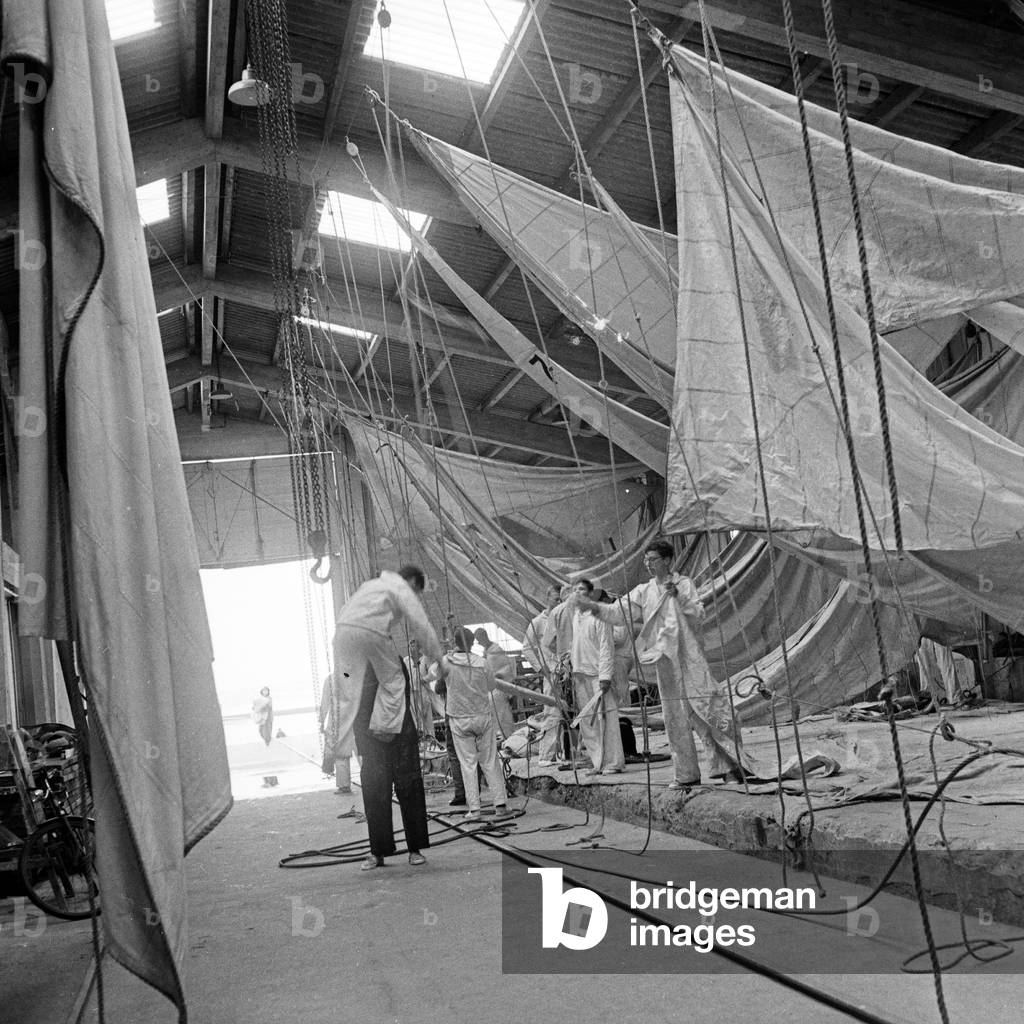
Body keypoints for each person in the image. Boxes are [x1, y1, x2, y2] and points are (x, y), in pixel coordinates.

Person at [574, 540, 752, 790]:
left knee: (707, 709)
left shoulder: (683, 584)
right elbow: (618, 613)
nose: (648, 564)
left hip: (689, 658)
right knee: (674, 718)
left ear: (667, 560)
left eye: (653, 559)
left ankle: (730, 766)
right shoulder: (643, 591)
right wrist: (594, 607)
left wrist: (679, 598)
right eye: (646, 560)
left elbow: (698, 614)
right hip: (665, 661)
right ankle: (686, 773)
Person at [332, 565, 443, 870]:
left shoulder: (389, 656)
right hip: (370, 731)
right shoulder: (357, 662)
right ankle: (377, 851)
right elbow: (345, 684)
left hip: (398, 731)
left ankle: (415, 848)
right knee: (374, 786)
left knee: (408, 783)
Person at [436, 627, 512, 821]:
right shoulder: (482, 662)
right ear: (472, 644)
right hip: (481, 716)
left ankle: (475, 810)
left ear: (454, 642)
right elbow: (491, 686)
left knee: (468, 763)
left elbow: (437, 682)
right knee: (490, 760)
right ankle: (500, 805)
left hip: (459, 717)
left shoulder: (447, 661)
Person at [568, 579, 625, 776]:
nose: (577, 592)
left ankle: (613, 762)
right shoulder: (576, 616)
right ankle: (597, 761)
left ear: (591, 594)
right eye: (575, 590)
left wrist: (605, 676)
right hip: (580, 673)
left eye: (581, 589)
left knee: (607, 719)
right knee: (587, 722)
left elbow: (606, 647)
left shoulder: (600, 616)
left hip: (598, 674)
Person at [521, 583, 565, 766]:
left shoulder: (566, 618)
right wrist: (541, 668)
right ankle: (546, 755)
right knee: (552, 712)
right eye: (556, 599)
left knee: (574, 713)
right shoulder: (538, 622)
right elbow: (527, 648)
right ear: (547, 598)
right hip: (552, 674)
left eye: (562, 600)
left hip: (569, 671)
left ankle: (570, 752)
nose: (559, 603)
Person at [473, 627, 516, 741]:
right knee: (500, 714)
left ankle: (506, 738)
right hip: (491, 687)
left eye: (479, 639)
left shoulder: (496, 650)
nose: (478, 642)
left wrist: (498, 675)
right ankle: (507, 738)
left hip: (499, 687)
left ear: (484, 637)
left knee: (499, 714)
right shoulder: (486, 651)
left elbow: (507, 668)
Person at [319, 672, 355, 794]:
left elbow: (325, 701)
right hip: (355, 718)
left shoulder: (330, 679)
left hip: (338, 720)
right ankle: (372, 784)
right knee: (362, 752)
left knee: (341, 752)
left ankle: (344, 785)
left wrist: (321, 720)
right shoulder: (354, 675)